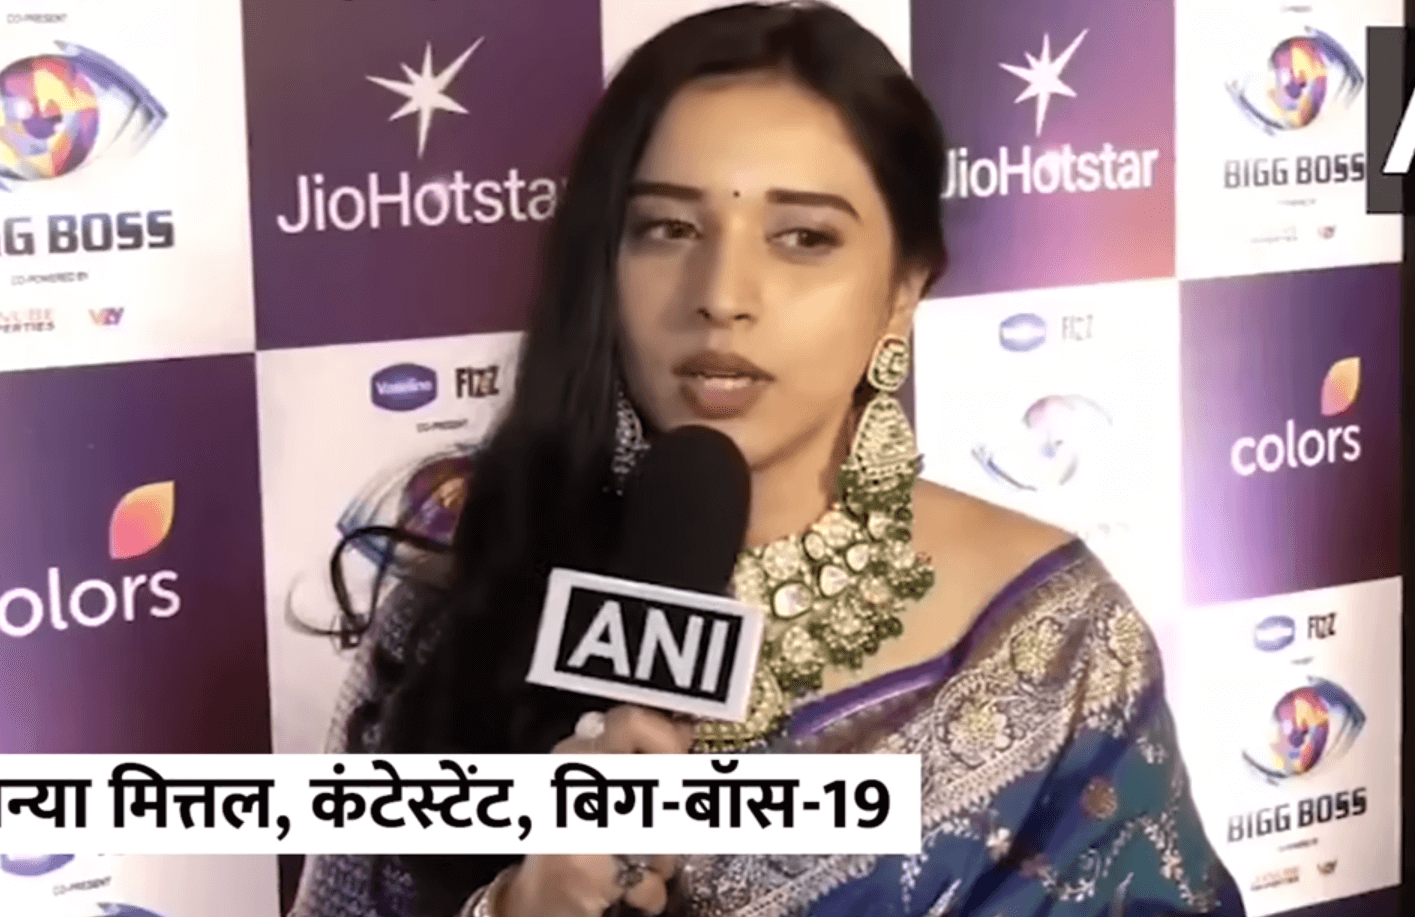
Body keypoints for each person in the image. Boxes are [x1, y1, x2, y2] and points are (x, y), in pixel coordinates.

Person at [289, 3, 1245, 916]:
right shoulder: (470, 600)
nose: (722, 293)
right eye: (669, 228)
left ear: (903, 290)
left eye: (803, 238)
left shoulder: (1062, 644)